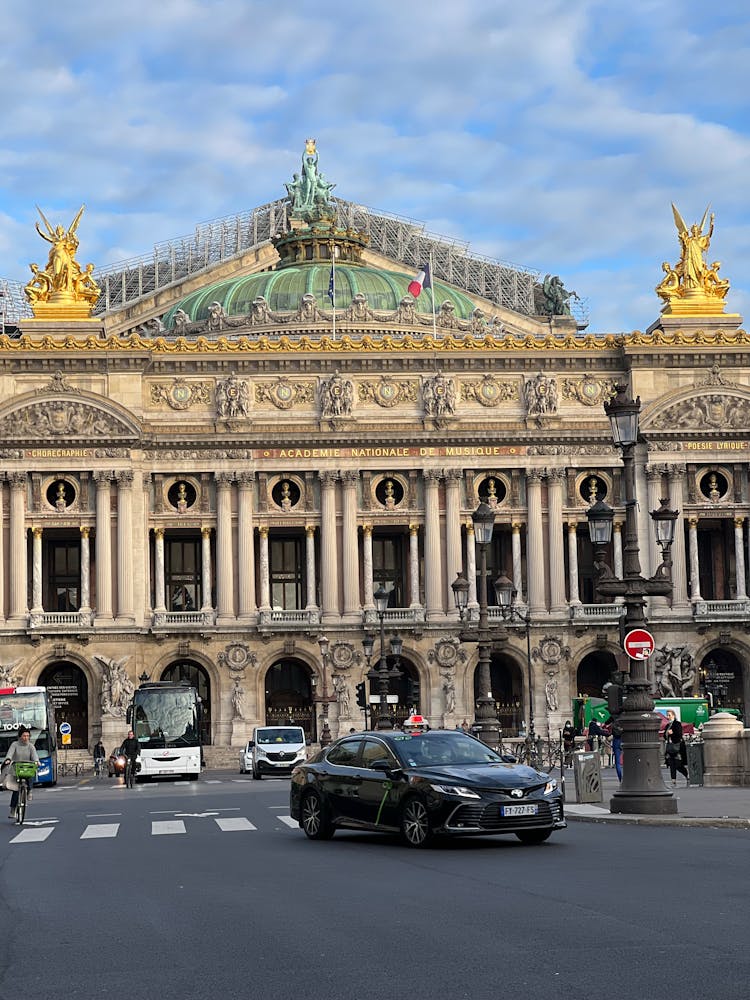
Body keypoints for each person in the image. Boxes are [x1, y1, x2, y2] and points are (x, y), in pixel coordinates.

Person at [2, 726, 40, 819]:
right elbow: (10, 754)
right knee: (16, 790)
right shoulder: (15, 744)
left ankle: (29, 791)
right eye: (24, 736)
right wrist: (8, 760)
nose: (26, 738)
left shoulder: (31, 746)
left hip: (27, 768)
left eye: (28, 736)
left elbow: (35, 756)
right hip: (16, 769)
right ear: (20, 737)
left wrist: (37, 761)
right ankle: (13, 810)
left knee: (31, 774)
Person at [664, 712, 689, 786]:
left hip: (677, 746)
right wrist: (667, 734)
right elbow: (665, 736)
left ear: (673, 716)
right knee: (671, 764)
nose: (668, 716)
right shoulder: (667, 725)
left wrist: (672, 733)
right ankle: (673, 781)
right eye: (667, 715)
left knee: (678, 764)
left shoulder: (677, 724)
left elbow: (679, 734)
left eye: (669, 715)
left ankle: (686, 774)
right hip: (669, 747)